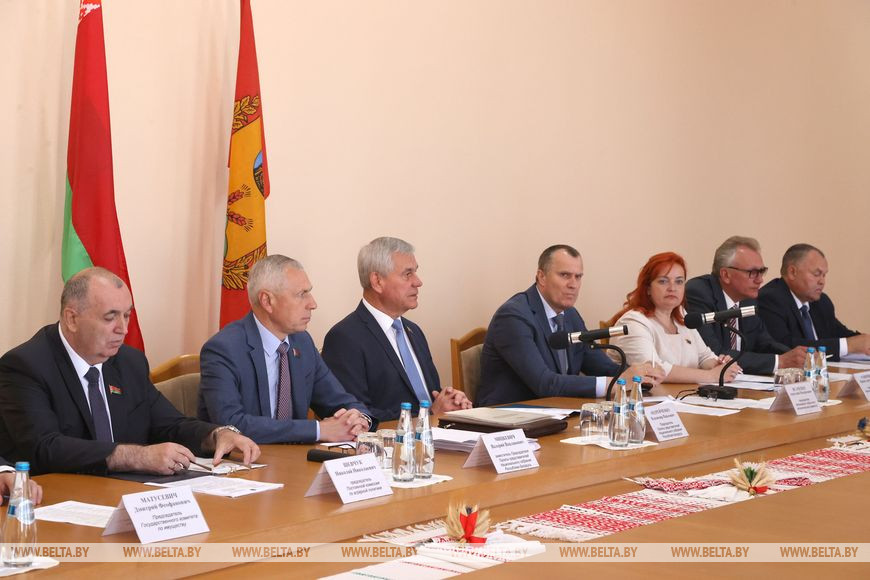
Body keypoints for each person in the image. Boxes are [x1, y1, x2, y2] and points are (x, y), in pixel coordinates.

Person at [0, 268, 259, 476]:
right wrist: (137, 456)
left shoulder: (129, 361)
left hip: (124, 494)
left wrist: (216, 435)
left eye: (127, 315)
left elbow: (169, 424)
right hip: (58, 499)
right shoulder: (25, 366)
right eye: (110, 317)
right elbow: (44, 447)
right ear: (72, 319)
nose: (123, 329)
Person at [198, 255, 373, 443]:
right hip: (244, 458)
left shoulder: (302, 342)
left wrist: (359, 419)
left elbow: (339, 400)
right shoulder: (223, 349)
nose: (312, 304)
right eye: (301, 294)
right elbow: (230, 424)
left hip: (292, 457)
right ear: (267, 301)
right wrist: (318, 430)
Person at [476, 245, 663, 407]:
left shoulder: (570, 315)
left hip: (556, 413)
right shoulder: (513, 317)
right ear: (541, 277)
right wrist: (617, 383)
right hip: (507, 420)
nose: (573, 284)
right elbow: (544, 384)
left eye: (578, 277)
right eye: (565, 275)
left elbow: (599, 365)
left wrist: (639, 376)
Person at [322, 237, 471, 423]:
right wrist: (427, 414)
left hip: (437, 433)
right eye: (407, 274)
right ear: (377, 281)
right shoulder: (344, 338)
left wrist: (450, 401)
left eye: (415, 272)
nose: (418, 282)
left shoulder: (414, 331)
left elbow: (428, 394)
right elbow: (357, 414)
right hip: (393, 439)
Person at [612, 252, 741, 384]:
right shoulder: (632, 322)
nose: (672, 288)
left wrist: (720, 365)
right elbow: (653, 370)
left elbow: (704, 357)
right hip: (643, 396)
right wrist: (712, 376)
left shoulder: (681, 315)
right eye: (663, 281)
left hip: (682, 394)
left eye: (679, 281)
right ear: (648, 288)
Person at [686, 236, 807, 374]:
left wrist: (796, 357)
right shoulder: (698, 293)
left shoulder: (747, 299)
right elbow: (715, 353)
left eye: (761, 272)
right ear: (726, 275)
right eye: (753, 273)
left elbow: (763, 343)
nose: (760, 280)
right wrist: (779, 362)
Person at [758, 244, 870, 360]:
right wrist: (848, 345)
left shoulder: (821, 302)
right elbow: (783, 346)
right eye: (817, 274)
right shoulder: (769, 299)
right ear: (792, 272)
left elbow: (840, 334)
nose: (822, 281)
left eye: (824, 275)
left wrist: (864, 342)